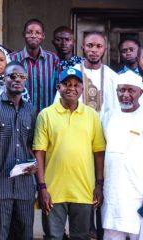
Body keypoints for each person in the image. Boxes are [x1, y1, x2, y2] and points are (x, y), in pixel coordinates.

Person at [33, 67, 106, 239]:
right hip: (53, 192)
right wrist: (42, 187)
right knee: (53, 237)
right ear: (59, 87)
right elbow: (39, 153)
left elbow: (99, 153)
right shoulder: (46, 115)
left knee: (81, 237)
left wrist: (99, 185)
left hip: (84, 190)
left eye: (76, 85)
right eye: (66, 84)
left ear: (82, 89)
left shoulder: (92, 116)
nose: (71, 88)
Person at [0, 61, 37, 239]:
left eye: (21, 77)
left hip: (25, 188)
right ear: (4, 78)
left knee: (25, 235)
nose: (17, 80)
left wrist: (34, 166)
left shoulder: (31, 111)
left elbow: (30, 146)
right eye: (12, 76)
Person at [101, 71, 143, 239]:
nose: (125, 95)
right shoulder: (108, 116)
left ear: (140, 93)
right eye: (121, 90)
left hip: (139, 194)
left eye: (130, 90)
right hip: (112, 194)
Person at [11, 18, 60, 113]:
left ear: (43, 36)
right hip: (19, 117)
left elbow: (58, 90)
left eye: (38, 33)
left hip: (47, 117)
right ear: (24, 35)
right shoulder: (13, 59)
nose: (33, 36)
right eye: (29, 32)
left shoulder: (53, 59)